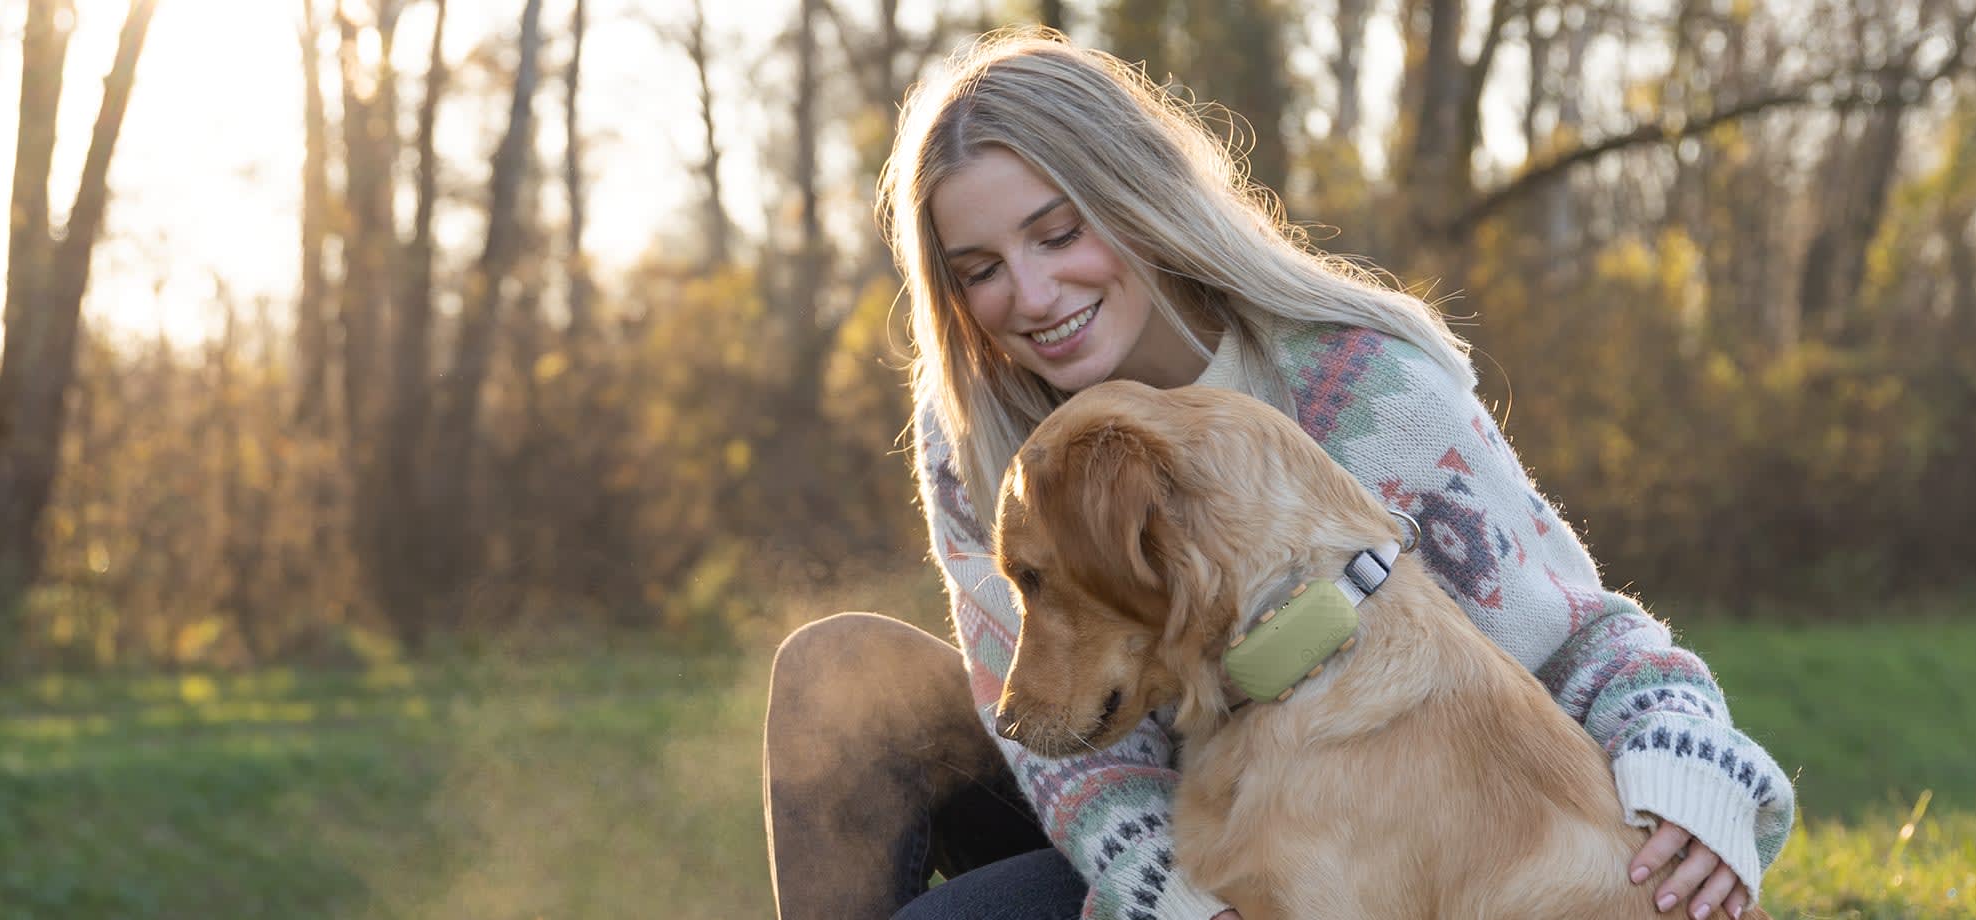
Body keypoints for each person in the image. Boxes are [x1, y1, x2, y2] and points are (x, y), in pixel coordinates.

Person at [763, 27, 1795, 920]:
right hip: (1141, 820)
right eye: (979, 269)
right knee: (835, 675)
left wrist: (1685, 761)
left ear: (1135, 199)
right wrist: (1168, 891)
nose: (1029, 295)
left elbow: (1571, 632)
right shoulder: (976, 424)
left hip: (1360, 814)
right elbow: (1048, 722)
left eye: (1057, 231)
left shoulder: (1364, 384)